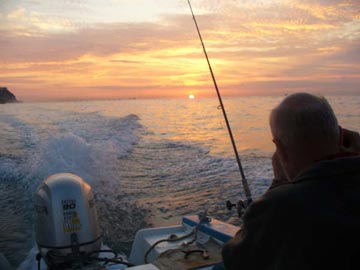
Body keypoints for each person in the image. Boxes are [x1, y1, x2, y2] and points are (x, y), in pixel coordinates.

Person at [222, 92, 360, 270]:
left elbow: (235, 261)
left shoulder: (278, 206)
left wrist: (279, 184)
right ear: (341, 136)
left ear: (279, 148)